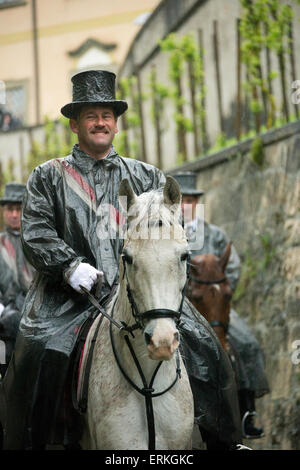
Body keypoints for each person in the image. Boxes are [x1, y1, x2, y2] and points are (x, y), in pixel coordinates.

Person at [0, 70, 242, 450]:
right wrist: (69, 265)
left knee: (207, 343)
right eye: (91, 115)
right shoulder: (47, 176)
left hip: (140, 293)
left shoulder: (146, 177)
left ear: (115, 124)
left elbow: (169, 236)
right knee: (35, 349)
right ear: (74, 124)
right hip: (66, 298)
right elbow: (35, 232)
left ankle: (226, 440)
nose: (101, 122)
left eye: (107, 115)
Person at [172, 171, 270, 440]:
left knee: (247, 343)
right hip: (180, 306)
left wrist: (218, 295)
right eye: (181, 200)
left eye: (191, 200)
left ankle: (248, 412)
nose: (186, 206)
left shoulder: (215, 234)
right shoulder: (168, 236)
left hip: (215, 306)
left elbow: (233, 266)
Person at [0, 183, 35, 378]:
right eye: (10, 209)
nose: (14, 214)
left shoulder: (39, 243)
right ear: (4, 212)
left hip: (37, 316)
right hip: (4, 321)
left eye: (18, 208)